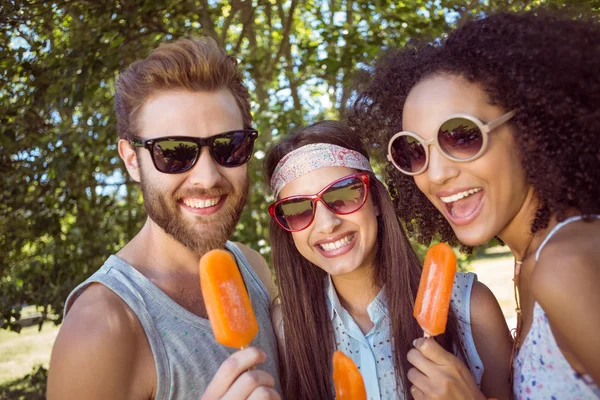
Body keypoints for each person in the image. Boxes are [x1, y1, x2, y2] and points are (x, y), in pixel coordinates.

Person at [349, 9, 600, 400]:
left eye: (462, 136)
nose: (436, 175)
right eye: (414, 150)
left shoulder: (566, 266)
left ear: (530, 131)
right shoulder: (531, 262)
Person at [47, 37, 281, 400]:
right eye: (174, 152)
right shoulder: (101, 327)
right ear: (130, 160)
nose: (207, 177)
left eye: (228, 145)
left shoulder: (252, 268)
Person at [263, 121, 512, 399]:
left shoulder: (471, 306)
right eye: (297, 209)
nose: (326, 224)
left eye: (344, 194)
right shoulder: (286, 329)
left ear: (377, 202)